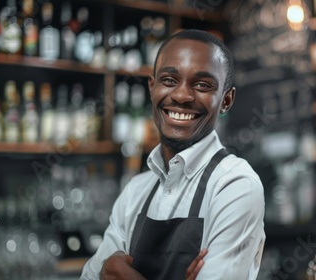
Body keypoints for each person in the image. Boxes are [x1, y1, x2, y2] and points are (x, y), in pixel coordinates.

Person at [80, 29, 266, 280]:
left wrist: (120, 274)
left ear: (226, 100)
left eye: (202, 85)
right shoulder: (136, 191)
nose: (181, 95)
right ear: (152, 86)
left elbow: (108, 273)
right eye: (169, 80)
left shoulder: (235, 185)